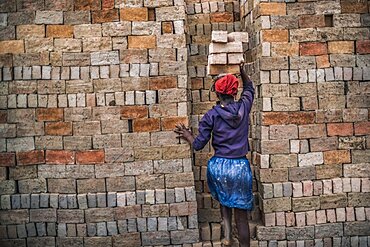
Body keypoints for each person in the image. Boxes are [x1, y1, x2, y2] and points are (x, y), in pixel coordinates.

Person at [175, 63, 254, 247]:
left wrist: (187, 135)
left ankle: (227, 236)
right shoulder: (245, 106)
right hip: (240, 167)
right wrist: (241, 71)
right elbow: (249, 87)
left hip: (219, 167)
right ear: (235, 93)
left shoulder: (211, 116)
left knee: (224, 200)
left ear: (217, 94)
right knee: (241, 217)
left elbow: (198, 144)